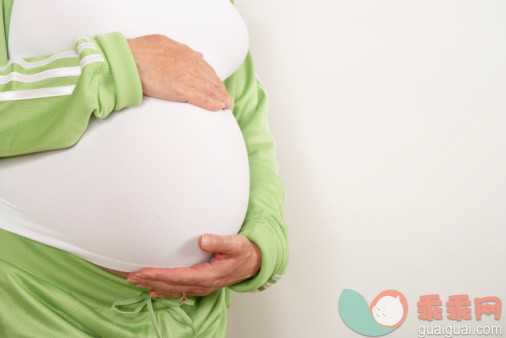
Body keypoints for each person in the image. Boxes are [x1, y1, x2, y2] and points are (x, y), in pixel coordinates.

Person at [0, 0, 288, 337]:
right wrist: (119, 66)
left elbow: (246, 121)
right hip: (41, 302)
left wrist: (262, 246)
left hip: (196, 316)